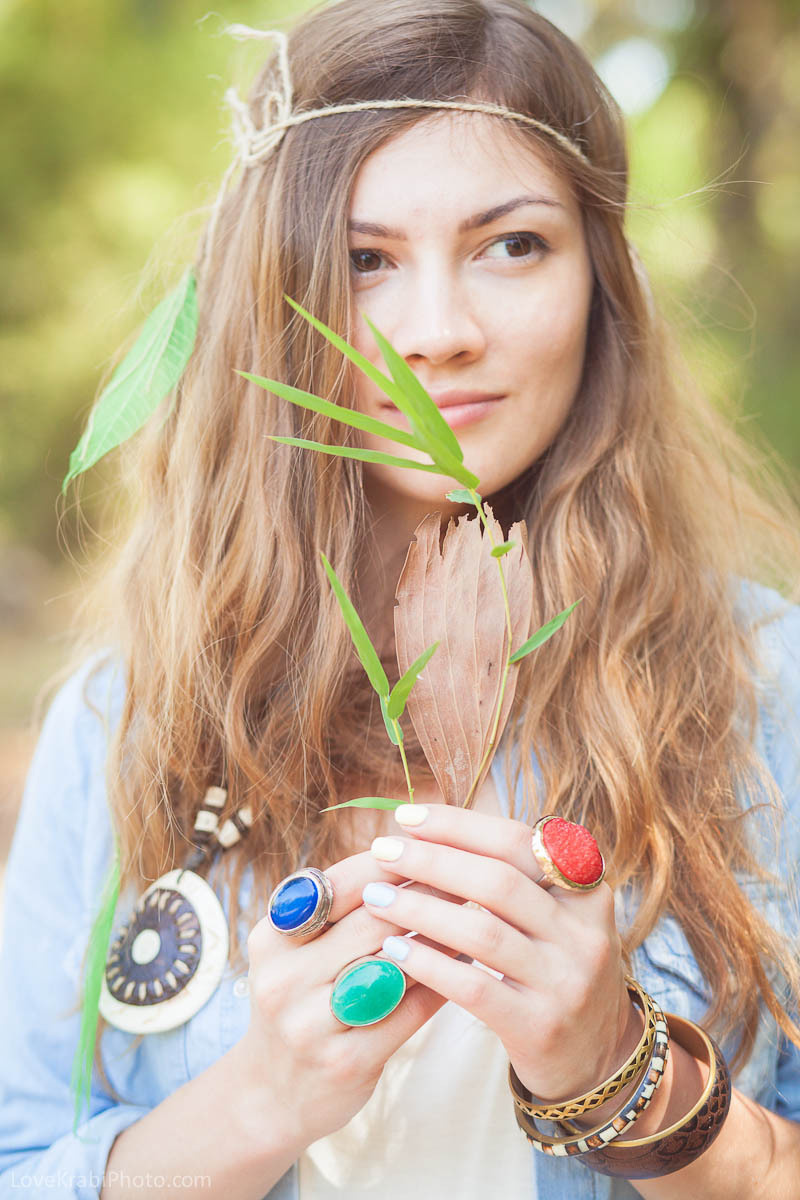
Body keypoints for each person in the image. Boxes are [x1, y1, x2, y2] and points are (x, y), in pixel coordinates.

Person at [1, 0, 799, 1196]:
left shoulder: (762, 682)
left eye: (511, 244)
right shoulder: (125, 722)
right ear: (266, 301)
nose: (437, 335)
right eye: (363, 261)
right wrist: (261, 1100)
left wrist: (610, 1068)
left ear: (600, 277)